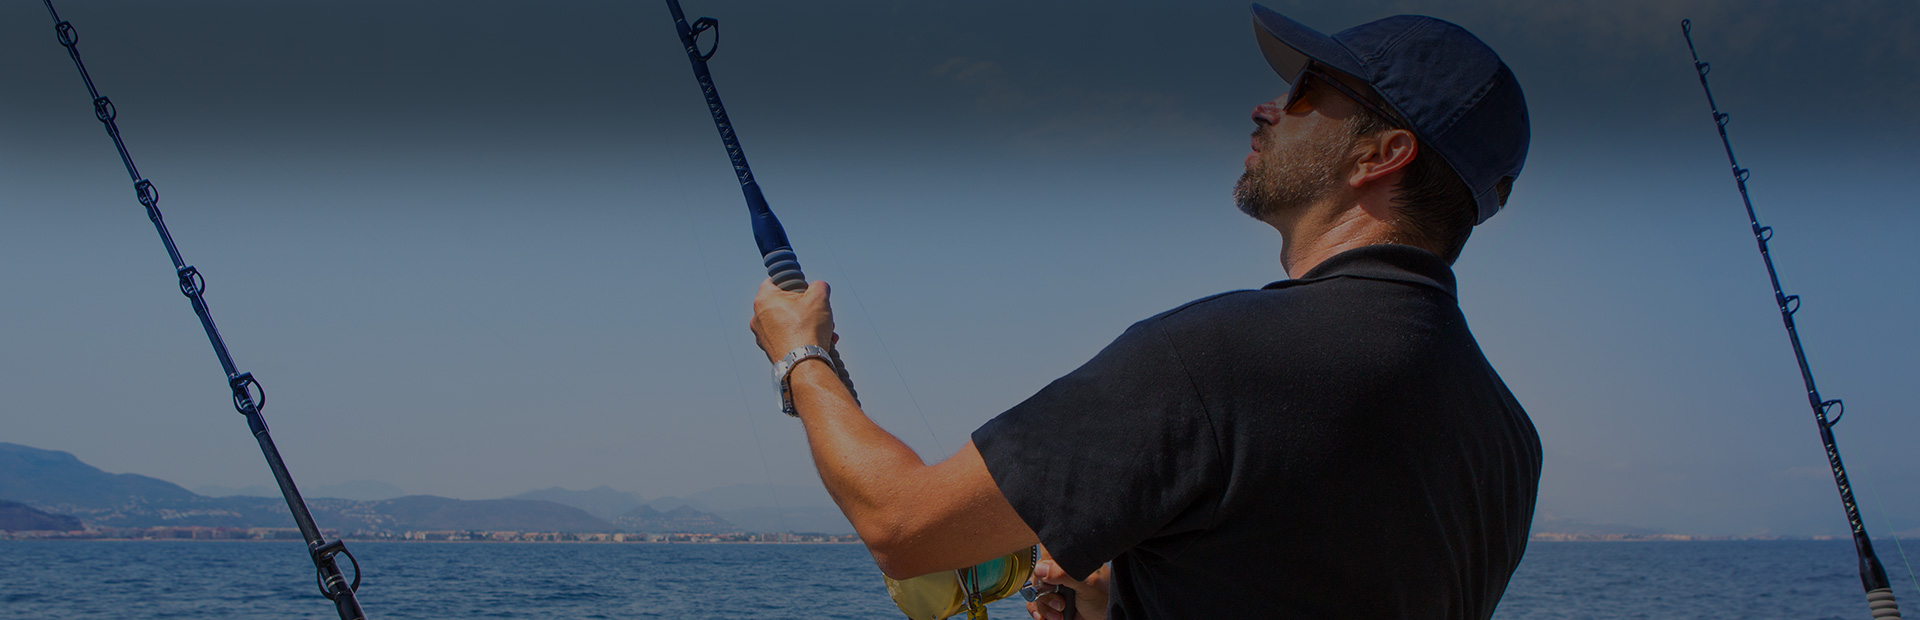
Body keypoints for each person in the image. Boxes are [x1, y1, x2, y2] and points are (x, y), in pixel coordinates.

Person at [748, 5, 1542, 619]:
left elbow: (901, 526)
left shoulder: (1218, 358)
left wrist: (801, 356)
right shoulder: (1508, 440)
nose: (1268, 107)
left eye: (1306, 92)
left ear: (1381, 154)